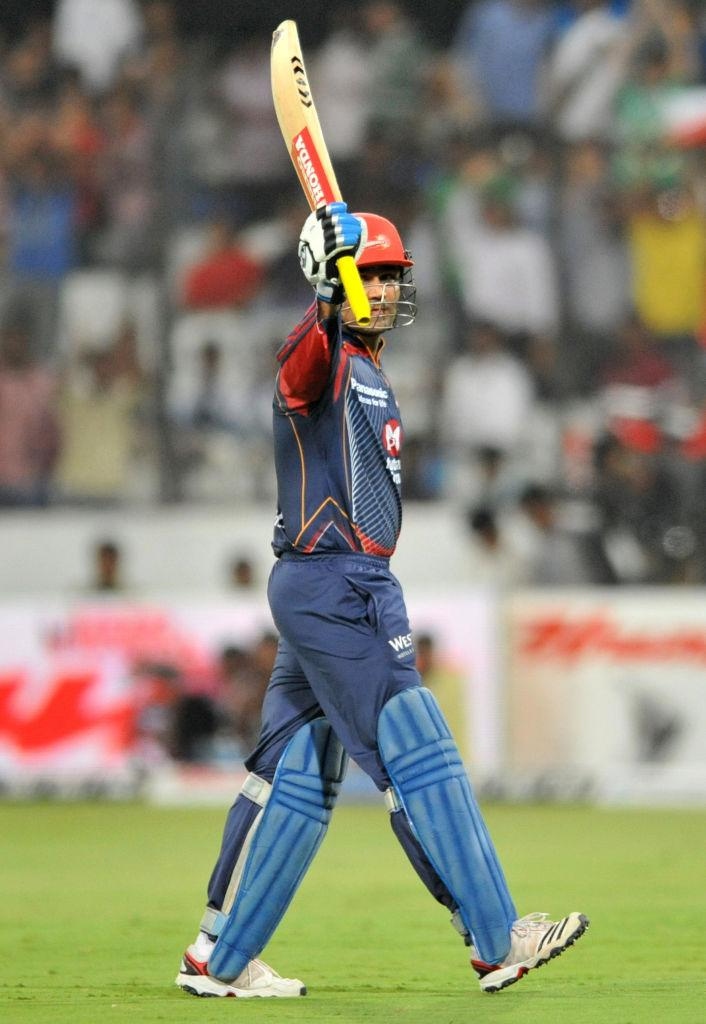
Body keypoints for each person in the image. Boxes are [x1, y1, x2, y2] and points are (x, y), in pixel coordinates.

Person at [175, 203, 588, 999]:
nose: (390, 288)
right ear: (335, 279)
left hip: (327, 588)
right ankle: (498, 937)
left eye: (395, 275)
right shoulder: (323, 355)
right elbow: (295, 369)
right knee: (417, 745)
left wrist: (341, 296)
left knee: (295, 771)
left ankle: (218, 958)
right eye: (374, 274)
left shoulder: (365, 363)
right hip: (339, 585)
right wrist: (326, 300)